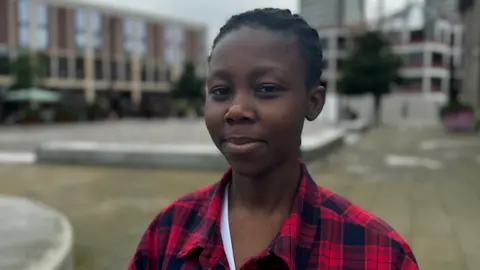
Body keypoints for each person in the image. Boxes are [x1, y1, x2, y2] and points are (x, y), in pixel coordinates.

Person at [129, 8, 418, 270]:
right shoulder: (167, 234)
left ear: (313, 102)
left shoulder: (379, 254)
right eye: (220, 91)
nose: (236, 110)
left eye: (266, 88)